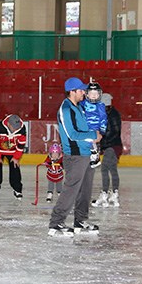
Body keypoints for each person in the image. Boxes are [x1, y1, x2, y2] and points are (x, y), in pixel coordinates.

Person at [48, 77, 99, 238]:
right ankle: (56, 223)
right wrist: (93, 135)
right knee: (70, 190)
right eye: (81, 90)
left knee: (85, 190)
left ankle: (80, 221)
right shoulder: (66, 109)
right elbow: (72, 134)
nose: (84, 92)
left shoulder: (78, 108)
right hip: (75, 156)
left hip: (85, 155)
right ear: (72, 91)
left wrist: (93, 146)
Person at [92, 93, 123, 207]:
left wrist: (102, 137)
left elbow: (114, 131)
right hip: (111, 146)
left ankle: (106, 194)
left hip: (113, 146)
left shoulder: (112, 115)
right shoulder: (107, 114)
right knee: (111, 169)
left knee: (105, 168)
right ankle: (113, 194)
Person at [0, 113, 26, 200]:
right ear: (8, 124)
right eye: (14, 127)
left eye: (17, 127)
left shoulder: (22, 129)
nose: (16, 129)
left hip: (13, 151)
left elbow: (21, 145)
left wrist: (16, 157)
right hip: (0, 150)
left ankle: (17, 189)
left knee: (15, 168)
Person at [81, 81, 108, 168]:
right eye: (91, 93)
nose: (93, 95)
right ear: (87, 94)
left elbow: (103, 118)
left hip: (95, 129)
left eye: (95, 93)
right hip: (84, 128)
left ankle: (95, 156)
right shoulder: (82, 104)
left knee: (92, 142)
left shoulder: (100, 105)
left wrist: (102, 131)